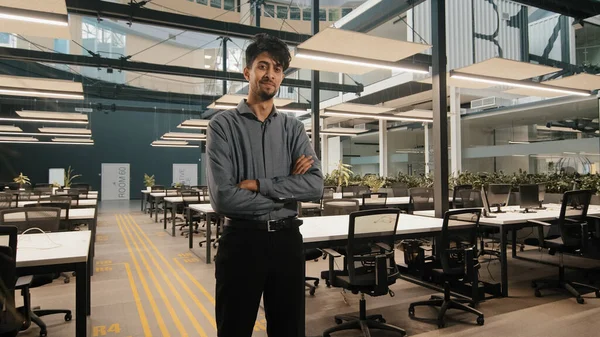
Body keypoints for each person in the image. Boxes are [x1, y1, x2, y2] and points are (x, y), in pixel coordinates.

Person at [206, 33, 324, 337]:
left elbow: (314, 186)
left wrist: (261, 185)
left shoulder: (293, 128)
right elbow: (224, 198)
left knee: (290, 330)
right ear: (248, 73)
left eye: (277, 68)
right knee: (234, 328)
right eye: (263, 66)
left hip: (287, 243)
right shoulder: (222, 126)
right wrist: (287, 195)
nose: (270, 73)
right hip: (242, 242)